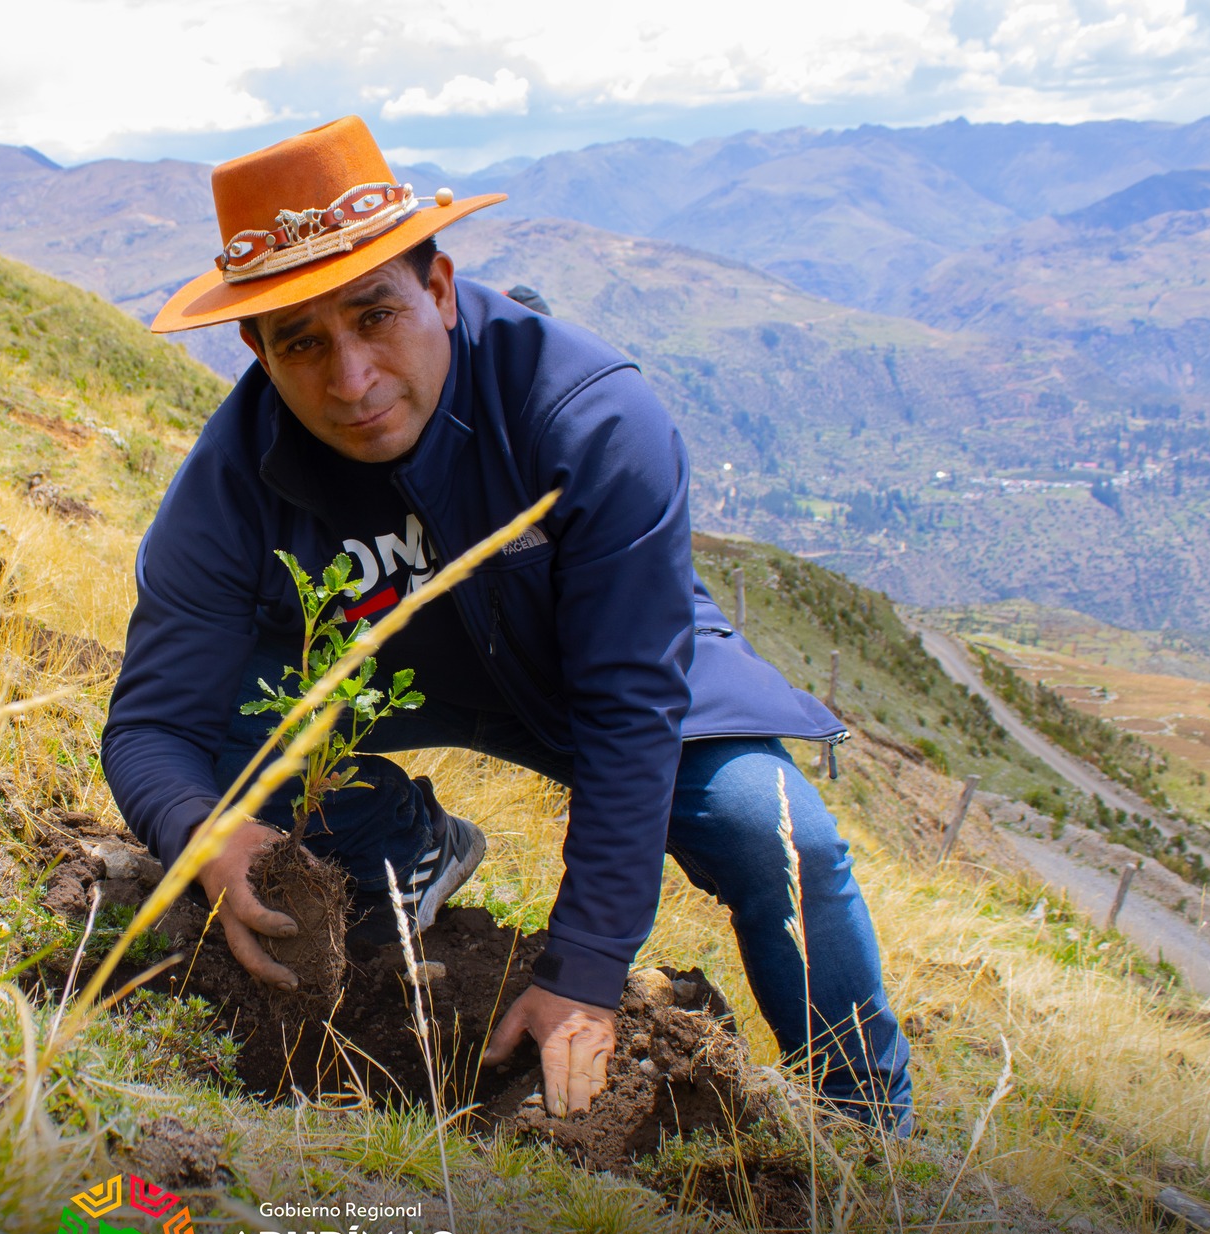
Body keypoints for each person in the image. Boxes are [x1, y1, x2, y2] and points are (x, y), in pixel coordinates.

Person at [101, 116, 911, 1131]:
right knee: (218, 752)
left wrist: (582, 968)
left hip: (591, 660)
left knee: (779, 839)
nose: (349, 379)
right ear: (254, 349)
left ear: (438, 289)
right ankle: (402, 848)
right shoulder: (228, 487)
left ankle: (867, 1125)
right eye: (301, 342)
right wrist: (202, 832)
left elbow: (628, 706)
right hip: (384, 684)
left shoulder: (590, 416)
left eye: (375, 316)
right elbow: (150, 728)